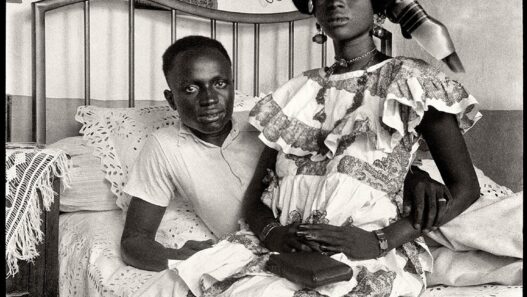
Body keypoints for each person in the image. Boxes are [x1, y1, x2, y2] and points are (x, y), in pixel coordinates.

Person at [167, 0, 501, 296]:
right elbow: (256, 194)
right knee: (182, 284)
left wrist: (380, 240)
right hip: (283, 250)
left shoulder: (411, 80)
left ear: (379, 8)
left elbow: (466, 188)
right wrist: (273, 235)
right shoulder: (296, 92)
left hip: (364, 251)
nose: (336, 3)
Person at [119, 35, 449, 273]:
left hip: (349, 221)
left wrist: (415, 176)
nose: (208, 99)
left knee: (457, 217)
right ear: (171, 98)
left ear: (232, 85)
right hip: (276, 245)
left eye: (219, 84)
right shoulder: (163, 146)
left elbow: (349, 154)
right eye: (190, 88)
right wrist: (186, 259)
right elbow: (134, 240)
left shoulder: (272, 121)